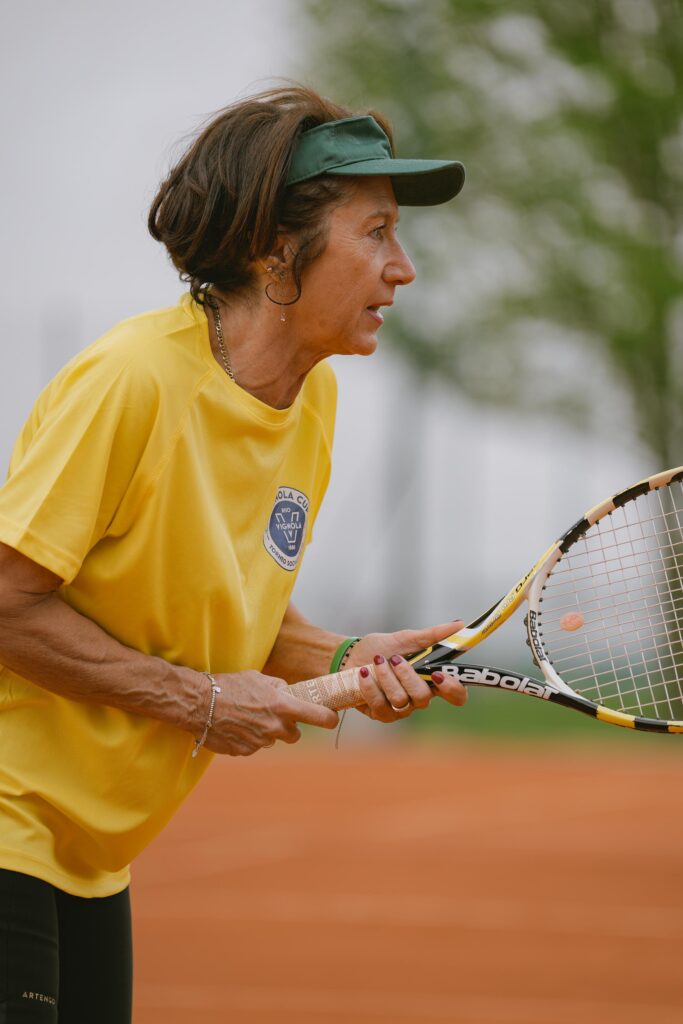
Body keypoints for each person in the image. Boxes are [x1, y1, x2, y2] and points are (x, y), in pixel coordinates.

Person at [0, 85, 467, 1022]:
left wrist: (343, 657)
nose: (403, 267)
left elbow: (228, 604)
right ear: (273, 250)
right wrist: (200, 701)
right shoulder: (131, 381)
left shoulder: (312, 400)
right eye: (376, 232)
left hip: (94, 855)